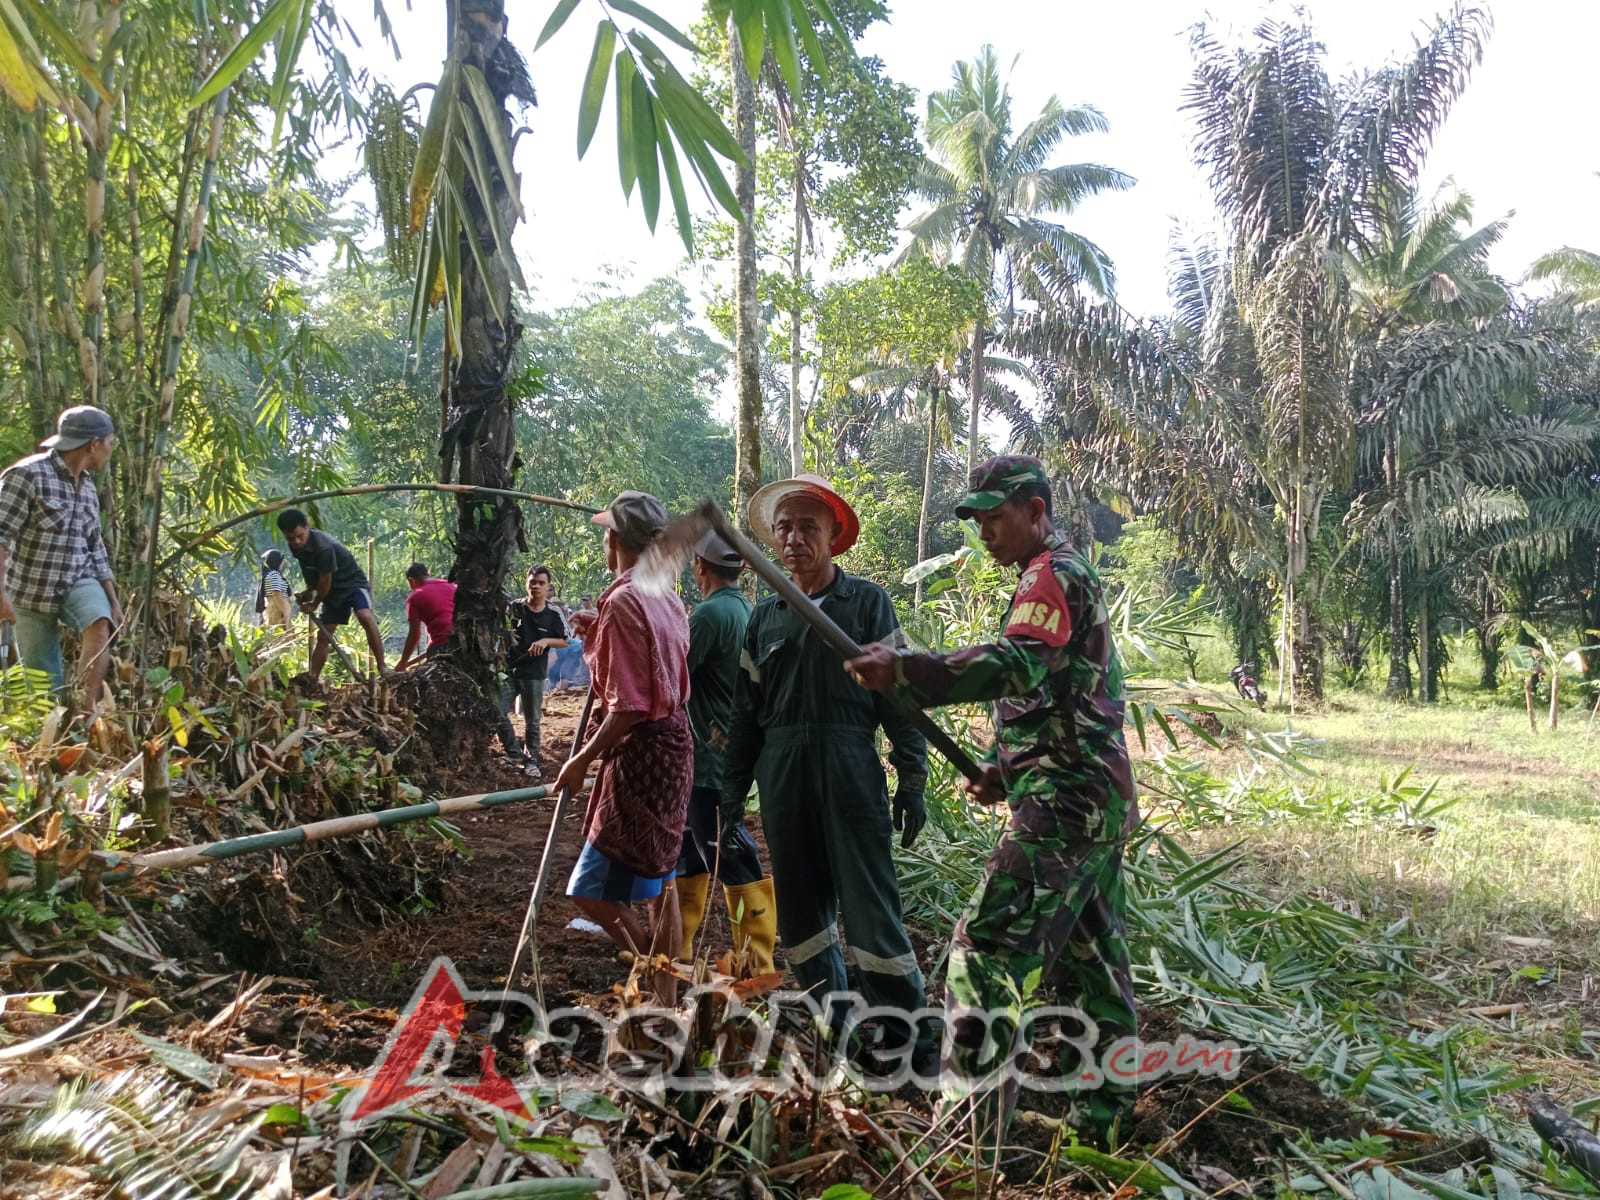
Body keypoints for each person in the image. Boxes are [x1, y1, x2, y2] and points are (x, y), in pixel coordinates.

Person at [846, 455, 1140, 1147]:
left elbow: (1016, 663)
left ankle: (967, 1144)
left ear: (1036, 511)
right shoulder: (1057, 575)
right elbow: (1070, 694)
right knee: (1092, 970)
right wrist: (1003, 768)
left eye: (994, 516)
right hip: (1091, 799)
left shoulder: (1052, 575)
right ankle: (1105, 1124)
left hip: (1063, 809)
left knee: (983, 955)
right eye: (976, 518)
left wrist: (908, 669)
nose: (983, 530)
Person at [721, 474, 935, 1070]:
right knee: (802, 918)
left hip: (851, 773)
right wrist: (732, 793)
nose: (793, 539)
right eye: (783, 528)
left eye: (807, 527)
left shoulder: (867, 604)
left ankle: (905, 1041)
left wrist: (910, 779)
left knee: (871, 913)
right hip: (782, 778)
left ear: (833, 536)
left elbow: (900, 701)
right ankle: (838, 1030)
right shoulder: (763, 617)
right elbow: (746, 718)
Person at [551, 492, 692, 1004]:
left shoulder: (623, 599)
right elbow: (649, 671)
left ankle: (656, 976)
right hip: (675, 746)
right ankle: (667, 999)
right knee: (663, 879)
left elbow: (629, 704)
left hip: (641, 754)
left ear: (614, 538)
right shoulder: (665, 595)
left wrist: (579, 759)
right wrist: (597, 638)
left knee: (590, 890)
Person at [674, 529, 777, 974]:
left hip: (708, 761)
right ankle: (678, 950)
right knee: (690, 852)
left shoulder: (710, 615)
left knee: (730, 851)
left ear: (700, 566)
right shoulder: (743, 610)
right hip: (717, 756)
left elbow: (673, 675)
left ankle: (758, 964)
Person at [0, 405, 123, 705]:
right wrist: (1, 597)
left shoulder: (88, 486)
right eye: (110, 443)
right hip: (29, 594)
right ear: (94, 444)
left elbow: (95, 547)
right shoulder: (26, 476)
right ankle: (54, 739)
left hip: (76, 580)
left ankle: (86, 714)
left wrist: (113, 600)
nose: (110, 451)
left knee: (99, 623)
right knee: (44, 691)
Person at [275, 509, 388, 681]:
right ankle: (313, 677)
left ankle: (383, 667)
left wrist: (314, 603)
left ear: (308, 527)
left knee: (365, 616)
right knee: (324, 636)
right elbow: (313, 574)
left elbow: (325, 580)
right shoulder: (295, 547)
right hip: (332, 593)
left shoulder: (324, 547)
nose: (296, 541)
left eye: (300, 536)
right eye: (291, 538)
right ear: (285, 535)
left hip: (352, 584)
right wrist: (309, 591)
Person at [498, 564, 569, 770]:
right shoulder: (514, 607)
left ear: (548, 587)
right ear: (526, 583)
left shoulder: (553, 613)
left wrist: (546, 641)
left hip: (534, 673)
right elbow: (501, 633)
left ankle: (532, 760)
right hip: (509, 671)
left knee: (532, 721)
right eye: (533, 582)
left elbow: (565, 640)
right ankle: (514, 753)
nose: (536, 586)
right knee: (497, 712)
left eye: (541, 583)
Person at [396, 562, 456, 671]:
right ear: (428, 574)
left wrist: (402, 663)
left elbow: (414, 635)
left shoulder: (415, 596)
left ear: (411, 580)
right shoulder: (451, 585)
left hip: (440, 647)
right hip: (463, 644)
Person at [256, 550, 294, 629]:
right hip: (277, 609)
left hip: (275, 607)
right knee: (281, 634)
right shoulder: (274, 575)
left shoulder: (269, 574)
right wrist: (285, 612)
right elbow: (276, 593)